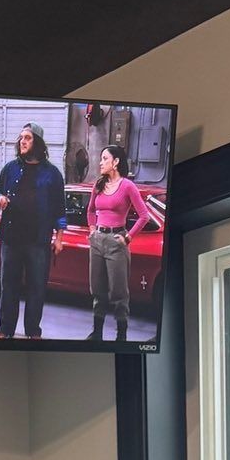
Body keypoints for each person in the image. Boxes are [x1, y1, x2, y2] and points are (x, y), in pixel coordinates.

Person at [0, 124, 66, 340]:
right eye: (21, 138)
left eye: (28, 138)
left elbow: (59, 209)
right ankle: (6, 331)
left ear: (38, 143)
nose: (22, 141)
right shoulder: (11, 168)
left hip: (38, 241)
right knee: (8, 287)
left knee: (37, 288)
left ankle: (33, 332)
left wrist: (59, 238)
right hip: (11, 239)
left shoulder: (52, 174)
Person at [85, 146, 154, 342]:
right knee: (97, 289)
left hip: (117, 242)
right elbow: (90, 211)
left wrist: (127, 237)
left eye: (104, 158)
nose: (100, 162)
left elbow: (144, 216)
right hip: (98, 240)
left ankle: (121, 335)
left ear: (115, 162)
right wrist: (92, 230)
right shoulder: (98, 185)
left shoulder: (127, 186)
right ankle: (96, 332)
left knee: (118, 292)